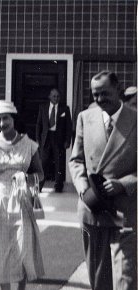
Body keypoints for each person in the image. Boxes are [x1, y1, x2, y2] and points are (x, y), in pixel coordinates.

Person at [69, 71, 137, 290]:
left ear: (118, 90)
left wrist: (124, 183)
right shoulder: (84, 118)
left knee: (126, 277)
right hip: (93, 209)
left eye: (105, 94)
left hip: (126, 210)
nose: (99, 100)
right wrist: (83, 189)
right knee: (99, 278)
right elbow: (76, 160)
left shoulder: (135, 119)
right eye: (95, 94)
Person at [0, 100, 45, 290]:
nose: (1, 123)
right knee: (1, 247)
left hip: (22, 201)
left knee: (22, 248)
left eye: (5, 118)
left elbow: (41, 173)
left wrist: (27, 177)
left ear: (14, 119)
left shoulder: (29, 144)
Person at [36, 88, 72, 192]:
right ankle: (39, 186)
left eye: (58, 96)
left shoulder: (64, 109)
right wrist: (38, 139)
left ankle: (58, 186)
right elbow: (39, 124)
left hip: (58, 138)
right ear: (49, 97)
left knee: (59, 163)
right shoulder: (43, 107)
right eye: (54, 96)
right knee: (43, 163)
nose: (56, 98)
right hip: (46, 138)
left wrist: (68, 140)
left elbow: (68, 126)